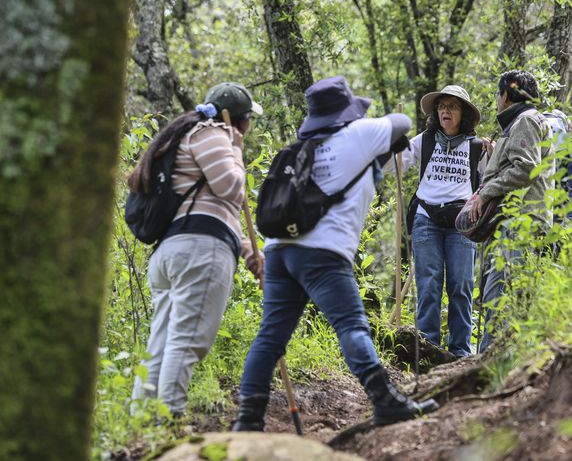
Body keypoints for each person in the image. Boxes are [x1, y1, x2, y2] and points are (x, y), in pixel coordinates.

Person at [233, 76, 438, 432]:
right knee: (351, 325)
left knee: (271, 336)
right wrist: (370, 132)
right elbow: (402, 123)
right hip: (323, 254)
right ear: (347, 113)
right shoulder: (358, 134)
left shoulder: (302, 148)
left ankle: (247, 421)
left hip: (280, 251)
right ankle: (385, 401)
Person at [130, 82, 265, 416]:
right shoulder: (214, 133)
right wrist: (234, 149)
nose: (249, 126)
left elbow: (212, 204)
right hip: (200, 253)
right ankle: (169, 421)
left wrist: (247, 248)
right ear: (236, 118)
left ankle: (142, 419)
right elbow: (231, 188)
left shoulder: (189, 136)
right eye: (248, 119)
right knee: (187, 340)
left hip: (175, 250)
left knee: (162, 341)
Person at [467, 70, 555, 352]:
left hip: (521, 223)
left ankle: (487, 370)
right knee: (512, 301)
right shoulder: (522, 121)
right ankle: (502, 366)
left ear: (505, 95)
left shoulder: (525, 120)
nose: (496, 99)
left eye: (497, 94)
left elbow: (526, 168)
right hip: (518, 222)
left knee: (499, 298)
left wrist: (486, 192)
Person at [395, 85, 486, 357]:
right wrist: (391, 145)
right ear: (436, 112)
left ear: (464, 114)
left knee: (461, 285)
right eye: (442, 106)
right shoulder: (425, 140)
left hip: (462, 221)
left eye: (453, 106)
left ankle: (460, 351)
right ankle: (428, 348)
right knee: (429, 284)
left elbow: (489, 183)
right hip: (426, 217)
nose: (446, 110)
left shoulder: (478, 147)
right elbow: (395, 166)